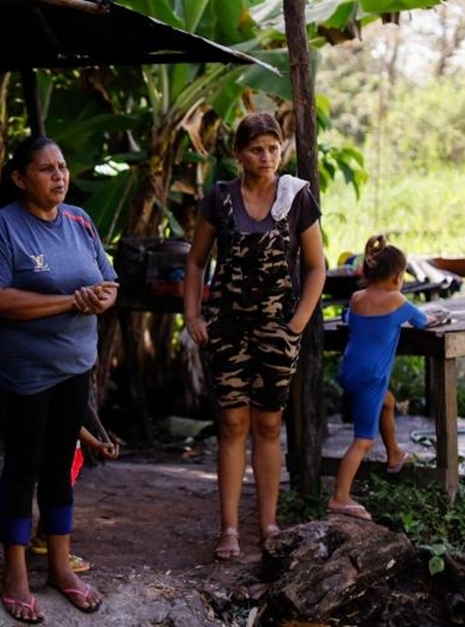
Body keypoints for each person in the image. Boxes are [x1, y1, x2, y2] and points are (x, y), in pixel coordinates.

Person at [0, 135, 118, 623]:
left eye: (62, 167)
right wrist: (70, 301)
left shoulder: (80, 220)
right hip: (24, 372)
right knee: (23, 466)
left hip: (75, 365)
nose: (59, 177)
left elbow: (109, 279)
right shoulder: (2, 227)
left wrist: (102, 297)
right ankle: (14, 572)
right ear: (20, 178)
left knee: (61, 466)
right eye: (45, 169)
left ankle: (60, 566)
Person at [183, 112, 325, 561]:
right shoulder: (220, 199)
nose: (267, 157)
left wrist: (298, 322)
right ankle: (228, 529)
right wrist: (192, 316)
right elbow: (195, 262)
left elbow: (316, 266)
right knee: (231, 425)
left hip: (277, 331)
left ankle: (268, 523)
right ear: (239, 155)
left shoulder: (296, 197)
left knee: (268, 424)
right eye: (256, 149)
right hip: (227, 331)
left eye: (273, 147)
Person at [328, 235, 435, 520]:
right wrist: (435, 317)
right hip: (371, 377)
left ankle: (394, 455)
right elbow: (423, 321)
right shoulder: (398, 300)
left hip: (349, 371)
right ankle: (340, 497)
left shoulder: (356, 298)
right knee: (363, 439)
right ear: (398, 276)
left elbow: (348, 319)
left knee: (387, 403)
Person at [28, 426, 121, 571]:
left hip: (66, 446)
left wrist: (96, 443)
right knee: (58, 495)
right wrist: (95, 443)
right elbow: (70, 419)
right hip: (60, 448)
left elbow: (74, 420)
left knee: (55, 493)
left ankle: (43, 538)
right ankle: (58, 554)